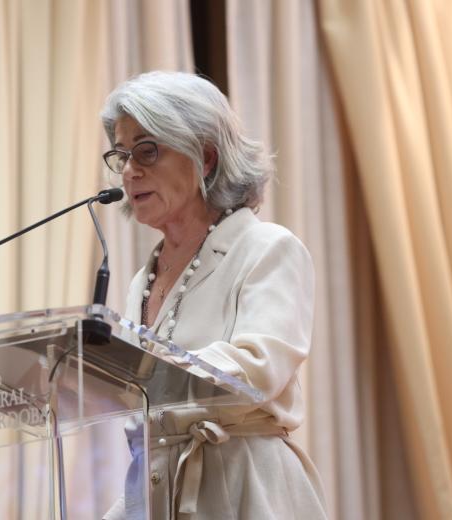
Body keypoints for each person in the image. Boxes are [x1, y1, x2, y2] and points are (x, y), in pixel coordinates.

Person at [100, 71, 327, 519]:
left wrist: (144, 366)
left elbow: (255, 372)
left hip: (246, 490)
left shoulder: (266, 249)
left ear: (204, 158)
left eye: (147, 150)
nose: (129, 170)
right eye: (122, 154)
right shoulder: (140, 282)